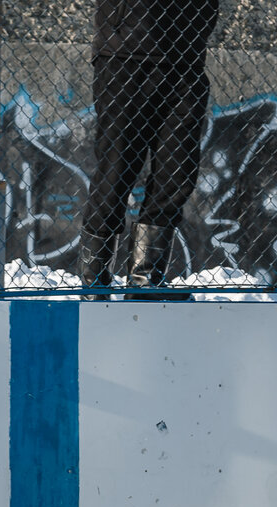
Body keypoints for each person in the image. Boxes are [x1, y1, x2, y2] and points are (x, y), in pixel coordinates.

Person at [77, 0, 219, 300]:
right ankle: (94, 285)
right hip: (125, 54)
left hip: (186, 59)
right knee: (116, 172)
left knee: (177, 175)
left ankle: (146, 280)